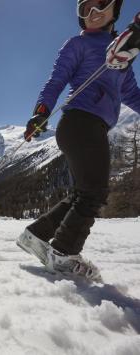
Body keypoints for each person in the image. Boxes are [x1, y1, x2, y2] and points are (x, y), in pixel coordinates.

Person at [16, 0, 140, 280]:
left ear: (115, 9)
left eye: (99, 5)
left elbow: (131, 94)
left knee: (82, 192)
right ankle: (63, 253)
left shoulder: (123, 57)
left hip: (90, 128)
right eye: (85, 9)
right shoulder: (78, 44)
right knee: (94, 193)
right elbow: (56, 81)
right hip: (80, 123)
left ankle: (35, 235)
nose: (92, 13)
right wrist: (41, 112)